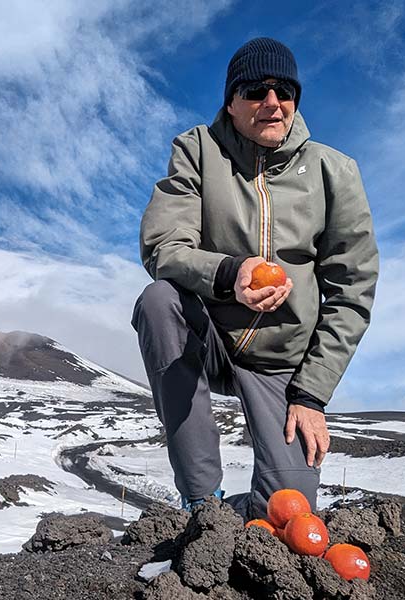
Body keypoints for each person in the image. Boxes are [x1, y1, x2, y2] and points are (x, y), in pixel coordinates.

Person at [132, 37, 379, 519]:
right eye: (255, 89)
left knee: (287, 514)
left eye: (284, 90)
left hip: (283, 365)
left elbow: (352, 291)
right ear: (231, 100)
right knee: (159, 301)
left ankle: (246, 511)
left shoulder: (335, 171)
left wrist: (312, 394)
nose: (273, 103)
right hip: (211, 338)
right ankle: (203, 504)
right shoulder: (198, 150)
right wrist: (229, 271)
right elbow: (164, 246)